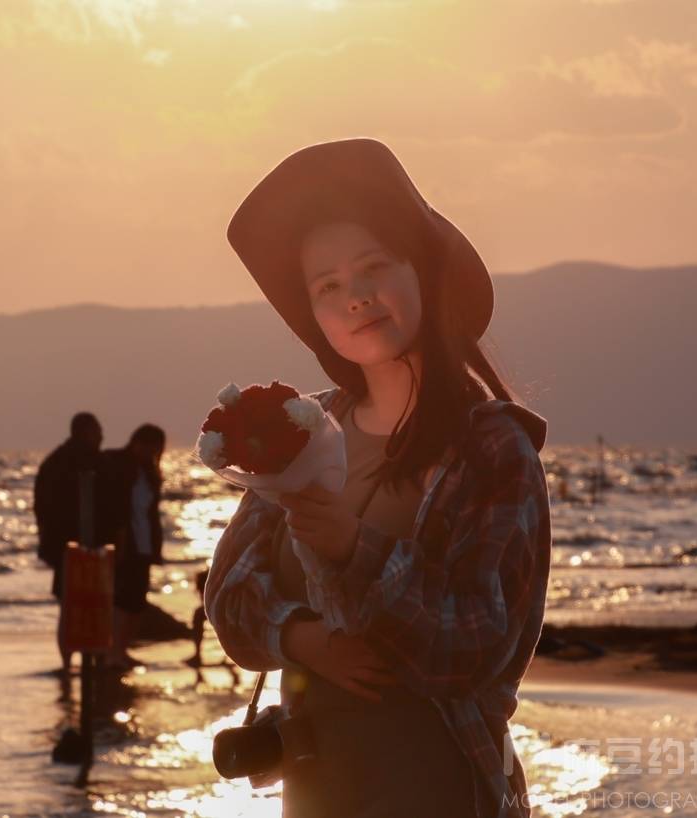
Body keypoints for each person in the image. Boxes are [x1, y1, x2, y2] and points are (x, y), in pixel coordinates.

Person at [204, 139, 552, 818]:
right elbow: (230, 598)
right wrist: (306, 640)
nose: (355, 297)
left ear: (422, 272)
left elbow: (473, 644)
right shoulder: (302, 432)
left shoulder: (492, 451)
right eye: (327, 286)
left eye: (373, 268)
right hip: (317, 797)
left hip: (442, 791)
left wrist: (350, 548)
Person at [34, 411, 104, 673]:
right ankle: (85, 660)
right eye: (97, 432)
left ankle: (71, 663)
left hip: (64, 546)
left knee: (72, 604)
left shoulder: (53, 462)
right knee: (86, 602)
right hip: (77, 547)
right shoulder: (81, 462)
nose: (101, 437)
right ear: (85, 432)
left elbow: (39, 508)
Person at [101, 424, 166, 668]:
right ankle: (113, 652)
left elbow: (151, 513)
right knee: (122, 600)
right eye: (148, 446)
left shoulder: (149, 473)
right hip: (125, 544)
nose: (151, 452)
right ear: (137, 442)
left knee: (137, 601)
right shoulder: (118, 465)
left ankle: (121, 650)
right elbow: (114, 509)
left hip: (144, 543)